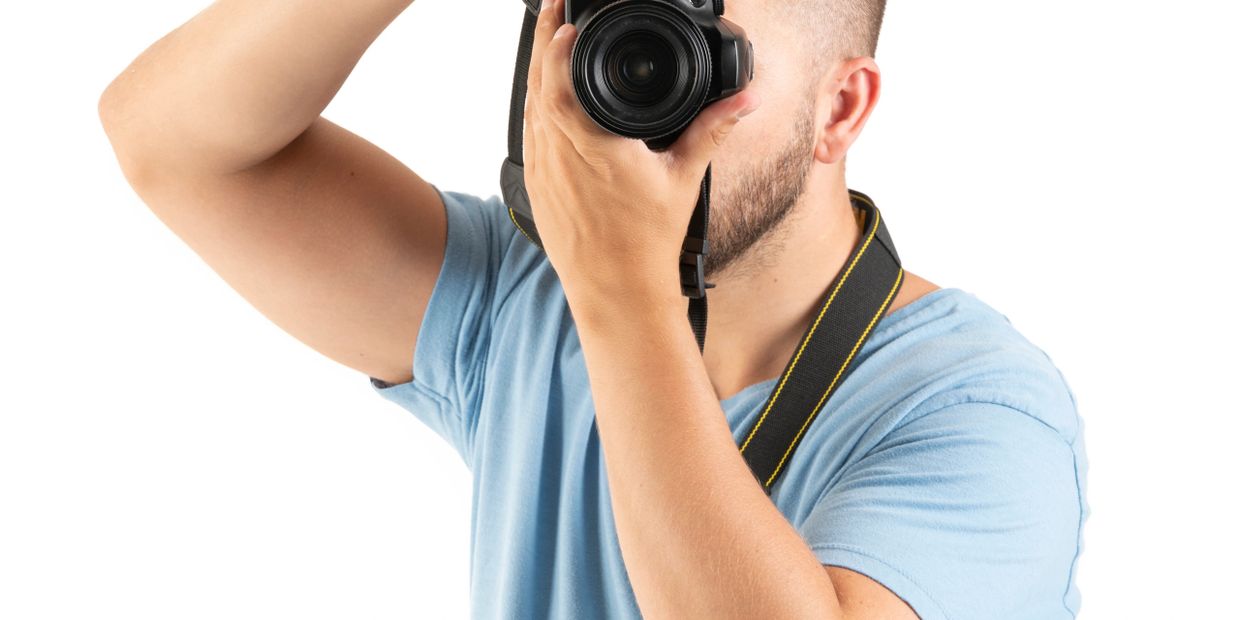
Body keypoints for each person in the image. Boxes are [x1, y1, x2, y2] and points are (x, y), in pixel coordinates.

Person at [98, 0, 1088, 617]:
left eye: (704, 50)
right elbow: (174, 142)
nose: (648, 105)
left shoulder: (982, 407)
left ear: (841, 109)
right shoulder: (528, 302)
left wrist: (625, 290)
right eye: (623, 40)